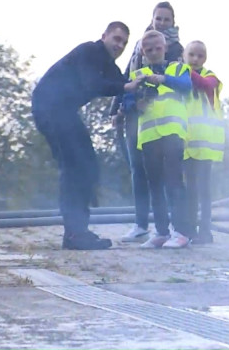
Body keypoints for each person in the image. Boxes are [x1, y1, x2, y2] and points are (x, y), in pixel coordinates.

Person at [32, 22, 146, 250]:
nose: (119, 45)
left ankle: (78, 230)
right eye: (116, 38)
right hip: (49, 107)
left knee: (88, 165)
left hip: (64, 111)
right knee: (74, 167)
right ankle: (75, 234)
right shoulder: (89, 51)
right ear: (104, 36)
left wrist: (137, 92)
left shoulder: (107, 63)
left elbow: (122, 83)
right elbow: (93, 84)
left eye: (123, 42)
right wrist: (127, 88)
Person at [113, 2, 184, 243]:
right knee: (138, 169)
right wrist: (118, 109)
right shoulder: (139, 45)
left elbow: (182, 82)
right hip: (138, 115)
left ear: (173, 22)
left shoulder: (177, 51)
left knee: (167, 176)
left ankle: (172, 228)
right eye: (159, 18)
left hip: (164, 120)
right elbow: (125, 78)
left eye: (167, 19)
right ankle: (141, 223)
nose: (162, 23)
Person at [123, 30, 193, 248]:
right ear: (143, 52)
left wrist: (163, 79)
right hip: (149, 136)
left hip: (172, 133)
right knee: (154, 184)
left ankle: (181, 232)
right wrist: (136, 105)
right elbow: (125, 101)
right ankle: (161, 231)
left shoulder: (179, 68)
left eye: (157, 48)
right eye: (148, 50)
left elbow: (187, 86)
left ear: (165, 48)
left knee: (174, 182)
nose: (153, 53)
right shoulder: (137, 75)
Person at [183, 41, 225, 244]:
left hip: (206, 145)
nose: (195, 59)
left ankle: (205, 231)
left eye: (199, 56)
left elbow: (205, 85)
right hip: (187, 144)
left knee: (204, 191)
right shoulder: (180, 78)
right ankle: (189, 229)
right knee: (189, 190)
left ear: (205, 58)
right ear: (185, 55)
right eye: (191, 55)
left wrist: (183, 70)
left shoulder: (212, 77)